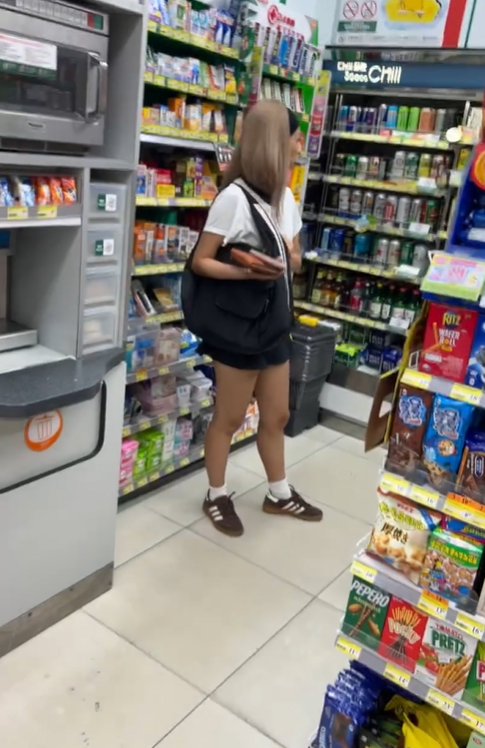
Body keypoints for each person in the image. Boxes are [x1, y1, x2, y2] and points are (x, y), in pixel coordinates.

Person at [189, 100, 323, 537]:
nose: (300, 146)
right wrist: (245, 270)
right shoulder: (233, 199)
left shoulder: (286, 198)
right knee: (229, 419)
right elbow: (201, 261)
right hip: (239, 328)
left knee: (278, 415)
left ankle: (278, 493)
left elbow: (296, 261)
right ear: (273, 142)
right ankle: (216, 494)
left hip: (274, 325)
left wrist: (287, 255)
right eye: (295, 138)